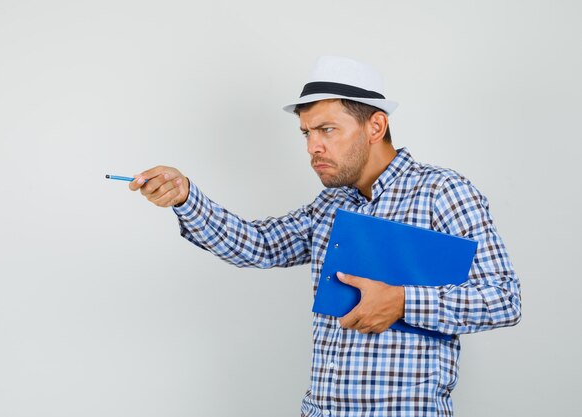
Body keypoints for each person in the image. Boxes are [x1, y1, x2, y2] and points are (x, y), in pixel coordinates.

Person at [128, 56, 521, 417]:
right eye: (306, 133)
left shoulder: (443, 191)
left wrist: (402, 301)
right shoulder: (331, 204)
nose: (314, 147)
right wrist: (185, 197)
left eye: (327, 130)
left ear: (376, 126)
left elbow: (503, 298)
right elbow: (260, 244)